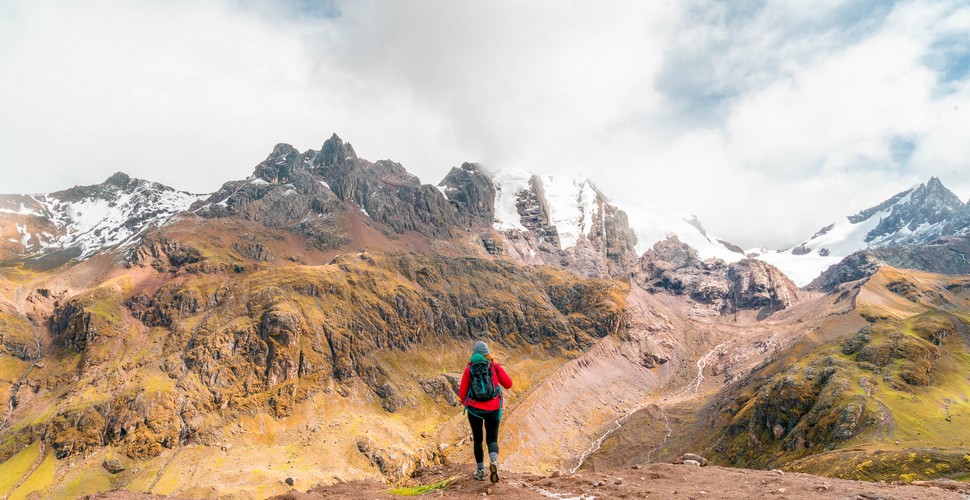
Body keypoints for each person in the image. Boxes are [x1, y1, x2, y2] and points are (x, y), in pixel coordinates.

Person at [458, 340, 513, 483]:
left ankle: (480, 471)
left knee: (478, 440)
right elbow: (509, 384)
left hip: (474, 410)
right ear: (487, 353)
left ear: (474, 354)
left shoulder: (469, 369)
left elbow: (462, 392)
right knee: (492, 439)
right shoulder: (493, 366)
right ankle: (493, 462)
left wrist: (468, 404)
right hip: (493, 408)